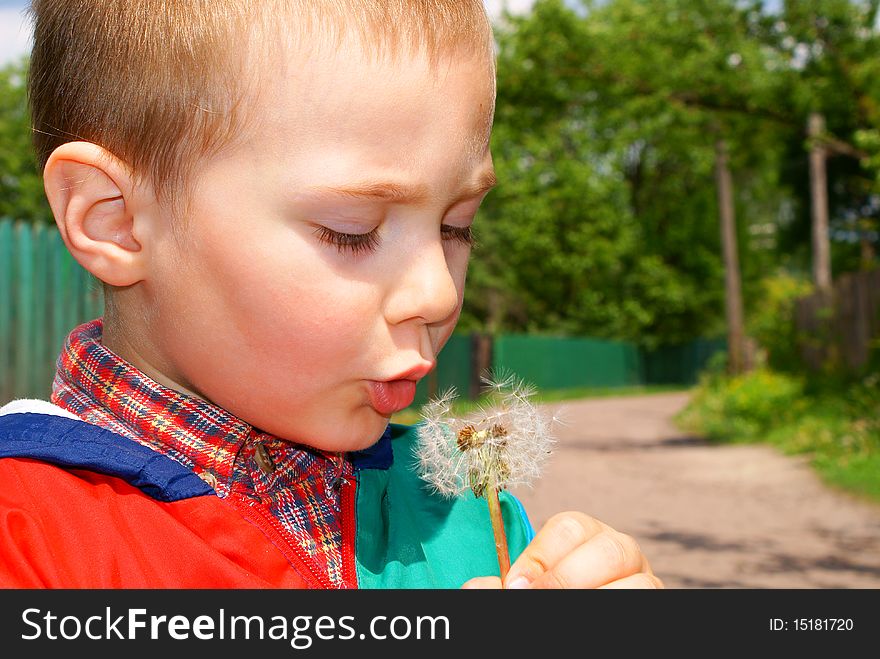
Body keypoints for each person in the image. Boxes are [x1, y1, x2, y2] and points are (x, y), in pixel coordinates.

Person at [0, 0, 662, 589]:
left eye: (456, 226)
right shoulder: (29, 544)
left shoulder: (468, 518)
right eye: (355, 232)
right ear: (113, 217)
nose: (437, 293)